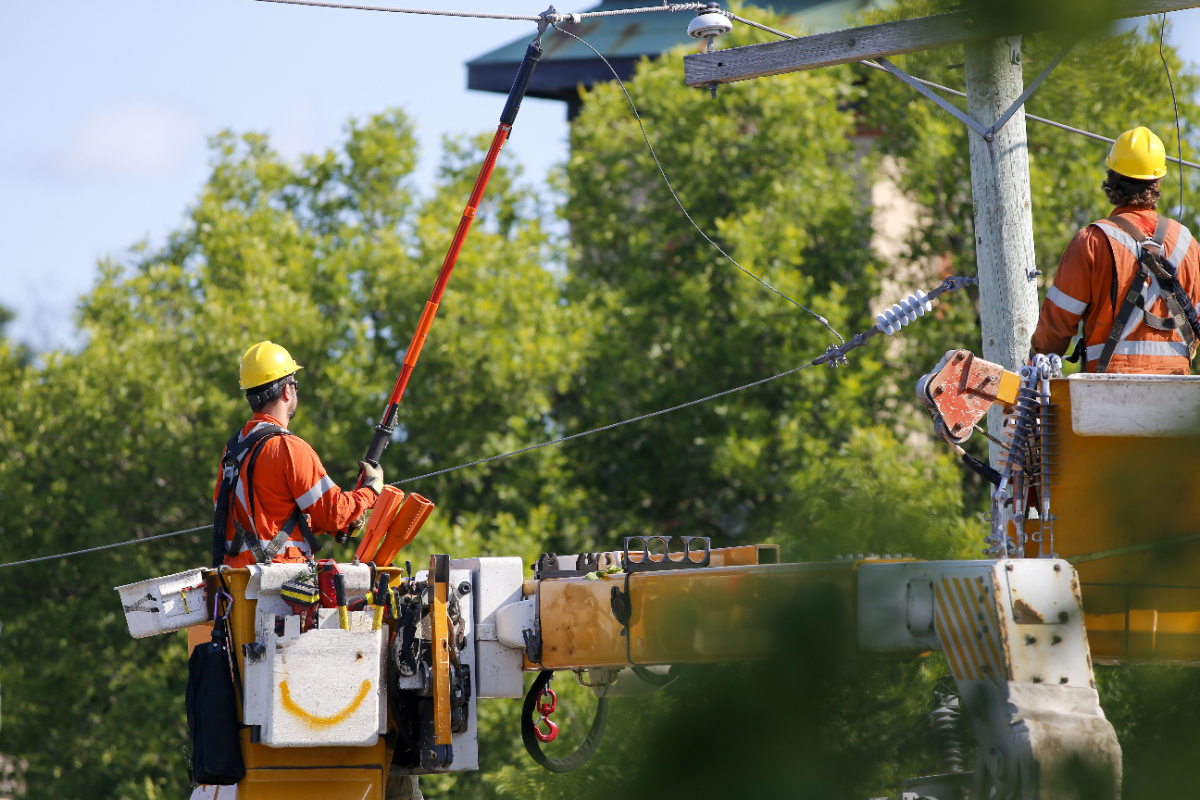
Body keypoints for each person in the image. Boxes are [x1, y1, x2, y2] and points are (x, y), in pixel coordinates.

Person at [1031, 126, 1200, 375]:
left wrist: (1035, 366)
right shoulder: (1188, 244)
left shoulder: (1092, 241)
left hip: (1108, 389)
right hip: (1175, 391)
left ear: (1112, 177)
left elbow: (1056, 326)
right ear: (1157, 181)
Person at [212, 341, 383, 568]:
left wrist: (331, 524)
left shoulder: (234, 449)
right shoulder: (288, 448)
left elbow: (264, 517)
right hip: (278, 584)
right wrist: (370, 491)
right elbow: (333, 513)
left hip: (236, 581)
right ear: (286, 390)